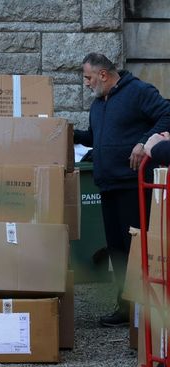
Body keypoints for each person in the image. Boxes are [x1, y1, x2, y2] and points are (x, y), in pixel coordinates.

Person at [74, 53, 170, 327]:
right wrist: (71, 133)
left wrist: (143, 143)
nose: (86, 83)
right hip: (107, 184)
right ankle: (126, 307)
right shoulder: (98, 104)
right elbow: (95, 137)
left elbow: (166, 115)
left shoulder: (139, 92)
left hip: (131, 184)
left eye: (88, 77)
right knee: (117, 249)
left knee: (135, 249)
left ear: (103, 74)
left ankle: (143, 309)